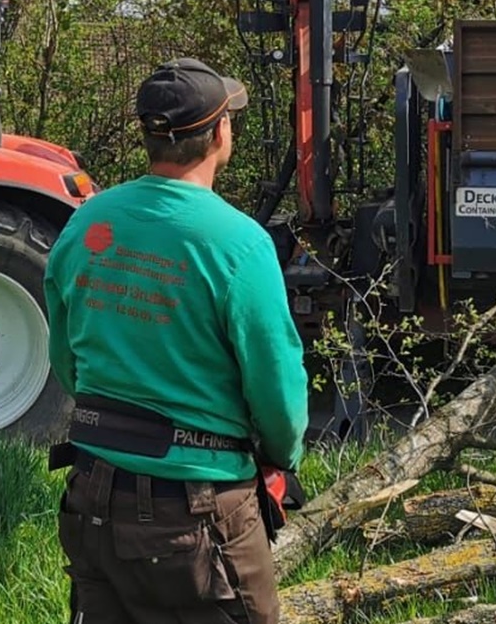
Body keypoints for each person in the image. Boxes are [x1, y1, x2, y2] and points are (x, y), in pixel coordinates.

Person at [44, 57, 310, 624]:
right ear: (219, 133)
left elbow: (65, 359)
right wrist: (282, 455)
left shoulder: (88, 221)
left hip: (92, 496)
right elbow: (277, 385)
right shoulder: (239, 244)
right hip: (200, 515)